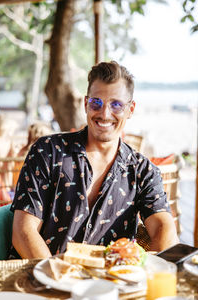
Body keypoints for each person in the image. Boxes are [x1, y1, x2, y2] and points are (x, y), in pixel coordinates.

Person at [10, 61, 179, 259]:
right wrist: (57, 276)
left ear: (130, 109)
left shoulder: (143, 171)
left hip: (108, 284)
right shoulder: (47, 151)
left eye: (116, 104)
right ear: (85, 104)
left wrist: (150, 273)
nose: (105, 114)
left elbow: (163, 228)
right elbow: (23, 232)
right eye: (96, 103)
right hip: (39, 278)